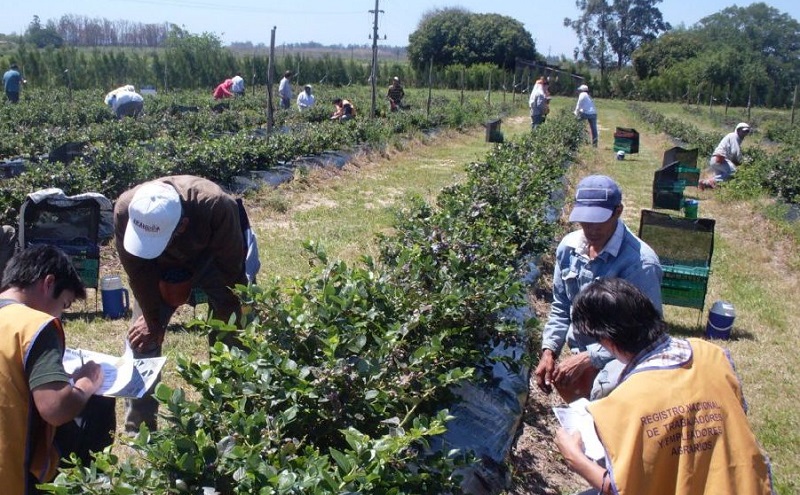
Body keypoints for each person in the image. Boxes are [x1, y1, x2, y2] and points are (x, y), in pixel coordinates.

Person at [554, 277, 774, 495]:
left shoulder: (625, 402)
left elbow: (619, 489)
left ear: (608, 342)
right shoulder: (715, 356)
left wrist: (575, 458)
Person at [114, 175, 256, 432]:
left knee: (233, 336)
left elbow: (232, 275)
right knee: (142, 339)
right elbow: (137, 271)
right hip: (157, 268)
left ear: (183, 225)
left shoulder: (216, 206)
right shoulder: (126, 208)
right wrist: (152, 318)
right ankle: (139, 430)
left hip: (215, 259)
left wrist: (229, 320)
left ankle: (232, 418)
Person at [534, 175, 662, 403]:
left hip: (623, 358)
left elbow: (648, 335)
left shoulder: (639, 264)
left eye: (599, 220)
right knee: (576, 398)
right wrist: (549, 350)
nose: (591, 229)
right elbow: (562, 306)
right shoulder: (569, 249)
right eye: (585, 220)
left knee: (606, 402)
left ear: (618, 211)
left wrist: (591, 358)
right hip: (583, 351)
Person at [0, 245, 107, 494]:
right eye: (64, 304)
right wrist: (86, 383)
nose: (61, 315)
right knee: (97, 406)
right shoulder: (36, 325)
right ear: (49, 283)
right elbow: (55, 409)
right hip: (11, 477)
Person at [699, 122, 751, 190]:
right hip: (720, 159)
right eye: (744, 131)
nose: (745, 133)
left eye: (747, 131)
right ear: (738, 130)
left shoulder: (735, 138)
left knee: (721, 181)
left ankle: (703, 186)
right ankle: (705, 182)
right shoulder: (734, 136)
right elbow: (735, 152)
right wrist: (741, 163)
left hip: (716, 159)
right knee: (734, 172)